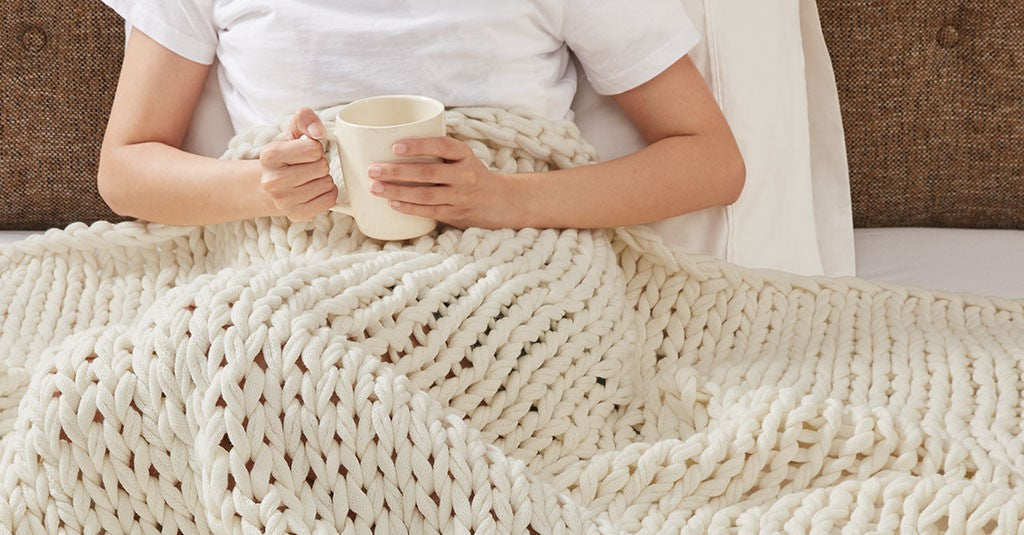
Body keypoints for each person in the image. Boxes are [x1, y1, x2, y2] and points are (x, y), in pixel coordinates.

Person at [96, 1, 746, 231]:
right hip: (289, 276)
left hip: (514, 275)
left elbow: (711, 161)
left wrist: (503, 199)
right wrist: (263, 188)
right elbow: (125, 171)